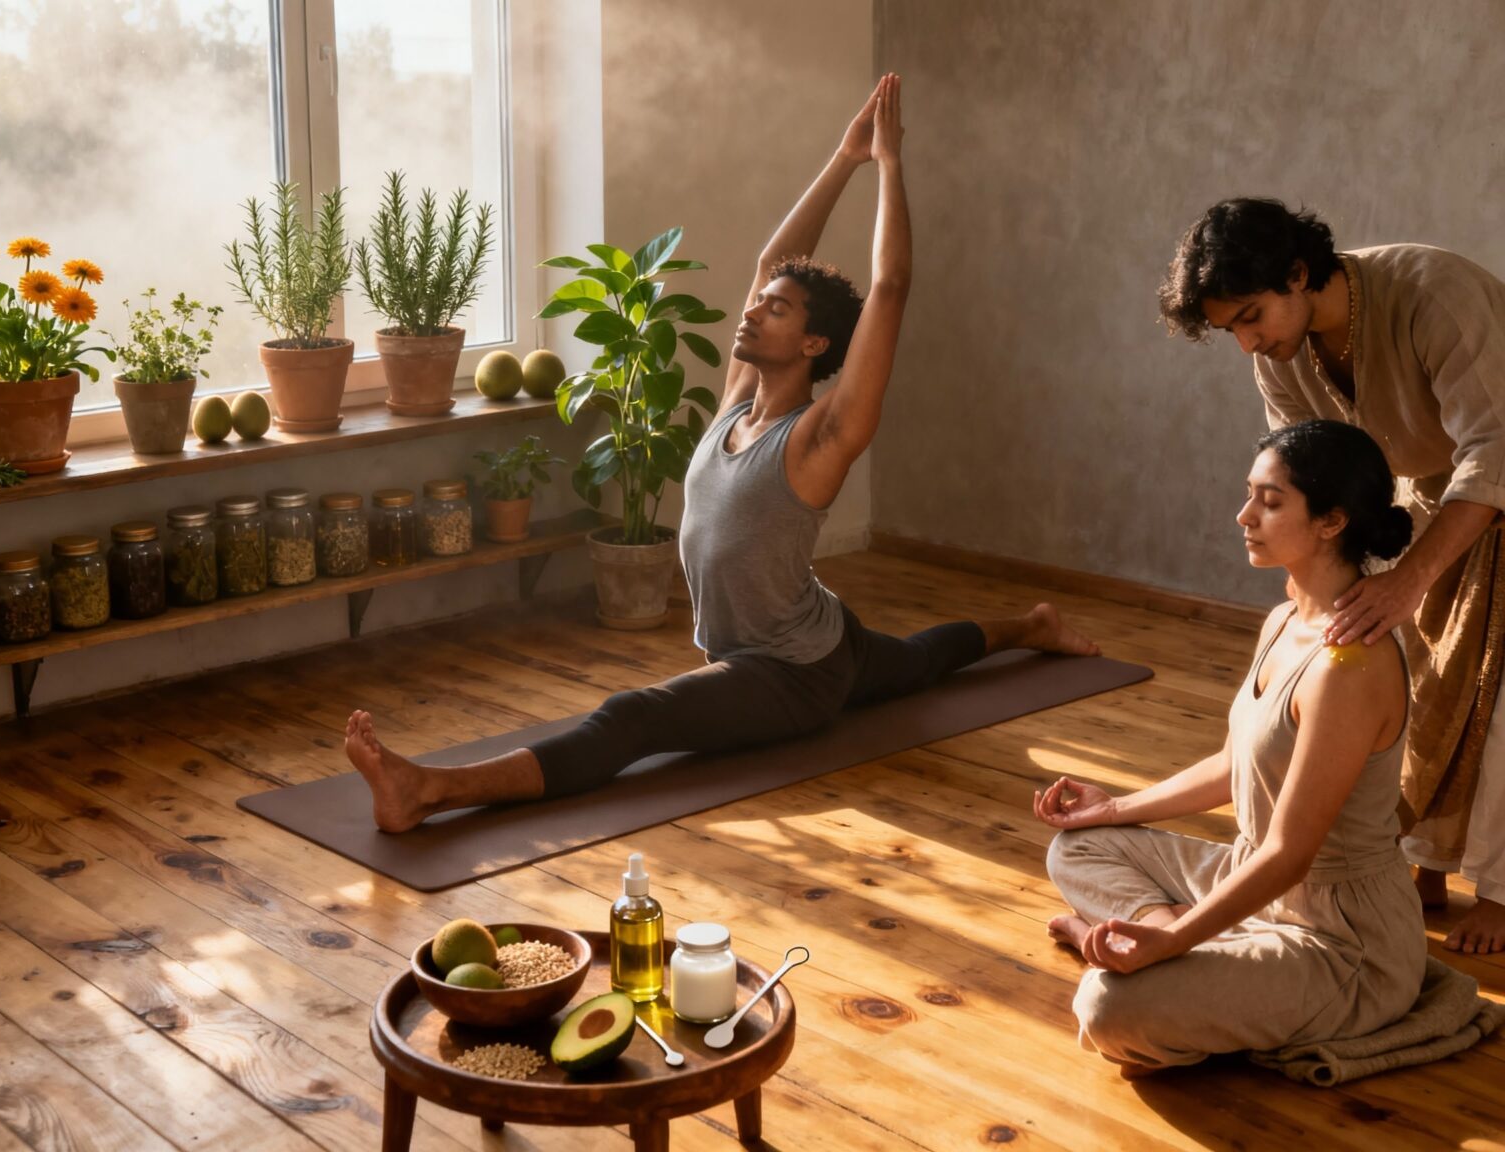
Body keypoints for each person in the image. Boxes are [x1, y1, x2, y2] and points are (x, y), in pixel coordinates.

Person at [345, 75, 1097, 831]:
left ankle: (430, 790)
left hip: (790, 672)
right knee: (917, 662)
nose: (754, 308)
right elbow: (774, 257)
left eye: (777, 308)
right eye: (759, 300)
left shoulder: (820, 437)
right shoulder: (739, 398)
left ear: (813, 344)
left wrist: (890, 163)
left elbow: (891, 286)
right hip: (822, 630)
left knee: (631, 719)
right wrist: (845, 158)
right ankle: (1031, 625)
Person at [1158, 198, 1505, 955]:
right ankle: (1425, 863)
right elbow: (1315, 474)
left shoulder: (1432, 295)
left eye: (1251, 316)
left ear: (1297, 272)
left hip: (1495, 472)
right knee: (1426, 681)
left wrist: (1410, 578)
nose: (1248, 342)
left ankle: (1501, 894)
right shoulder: (1278, 354)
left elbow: (1494, 447)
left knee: (1502, 704)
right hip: (1438, 495)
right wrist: (1317, 587)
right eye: (1231, 329)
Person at [1035, 420, 1425, 1075]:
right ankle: (1178, 941)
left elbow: (1290, 855)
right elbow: (1232, 763)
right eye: (1250, 495)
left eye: (1270, 502)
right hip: (1254, 878)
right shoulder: (1282, 619)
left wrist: (1170, 946)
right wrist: (1114, 809)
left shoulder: (1349, 666)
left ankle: (1165, 948)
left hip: (1340, 939)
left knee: (1106, 1007)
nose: (1245, 516)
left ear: (1331, 522)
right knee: (1076, 846)